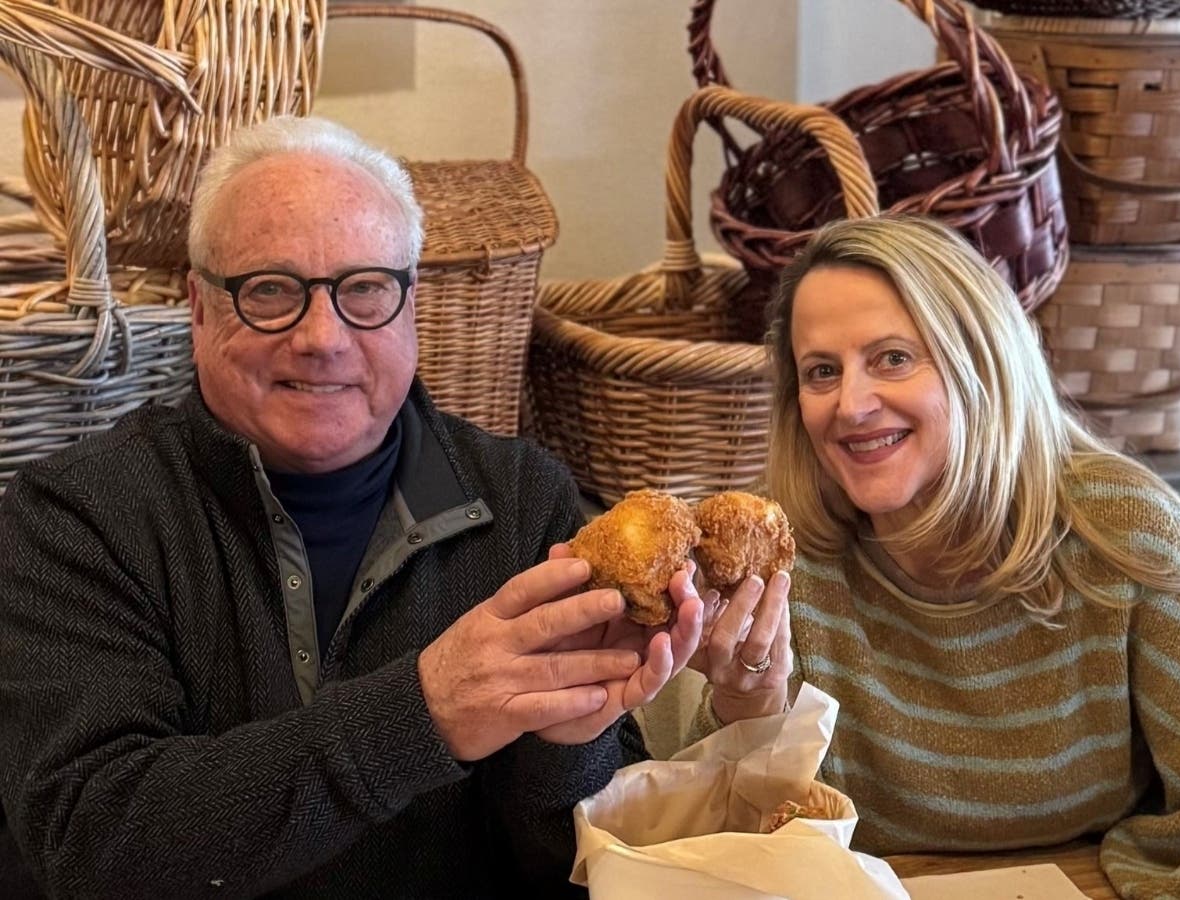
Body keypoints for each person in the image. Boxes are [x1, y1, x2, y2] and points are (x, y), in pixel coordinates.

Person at [0, 116, 703, 899]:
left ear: (410, 306)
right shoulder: (75, 518)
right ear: (199, 309)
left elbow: (591, 867)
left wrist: (567, 745)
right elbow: (93, 848)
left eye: (364, 289)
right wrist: (422, 713)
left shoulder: (523, 500)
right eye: (271, 290)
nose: (323, 336)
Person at [685, 214, 1180, 899]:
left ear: (981, 362)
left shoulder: (1126, 531)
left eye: (893, 358)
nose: (852, 404)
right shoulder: (784, 563)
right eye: (822, 372)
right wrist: (748, 707)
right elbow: (714, 846)